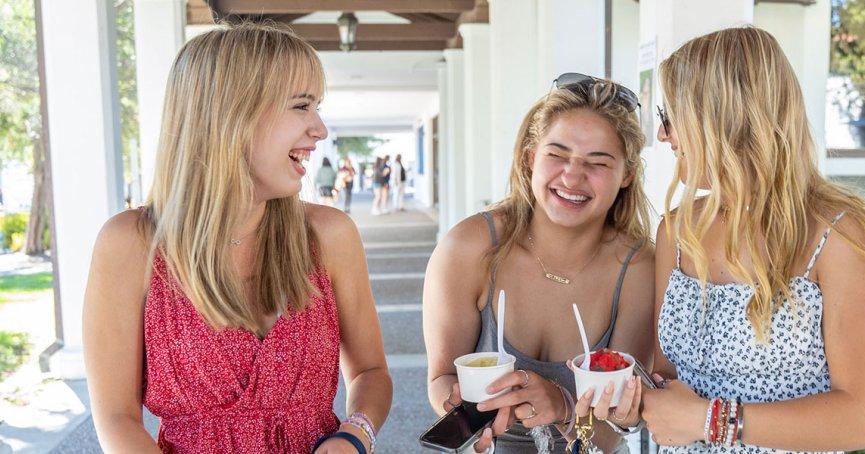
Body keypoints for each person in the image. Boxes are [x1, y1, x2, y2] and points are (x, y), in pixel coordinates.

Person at [82, 23, 392, 453]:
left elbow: (371, 372)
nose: (319, 129)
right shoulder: (131, 244)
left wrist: (354, 435)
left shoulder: (329, 235)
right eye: (302, 106)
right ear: (231, 113)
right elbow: (115, 417)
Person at [603, 26, 865, 452]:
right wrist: (637, 406)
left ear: (723, 118)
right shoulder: (677, 230)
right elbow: (669, 376)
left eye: (670, 116)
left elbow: (863, 419)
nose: (663, 135)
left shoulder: (842, 235)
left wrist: (709, 420)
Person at [424, 73, 656, 453]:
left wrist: (564, 406)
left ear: (627, 174)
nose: (572, 175)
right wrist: (464, 409)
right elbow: (442, 377)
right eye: (557, 154)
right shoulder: (468, 248)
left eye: (597, 162)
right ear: (531, 157)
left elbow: (614, 429)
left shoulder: (638, 269)